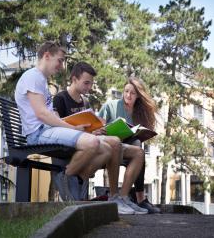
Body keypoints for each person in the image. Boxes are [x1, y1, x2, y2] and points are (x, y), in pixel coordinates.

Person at [14, 41, 134, 215]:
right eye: (60, 60)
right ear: (47, 55)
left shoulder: (40, 79)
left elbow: (49, 115)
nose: (61, 66)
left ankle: (76, 184)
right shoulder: (33, 76)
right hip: (38, 133)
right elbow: (42, 114)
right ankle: (67, 176)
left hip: (47, 130)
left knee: (107, 149)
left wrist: (75, 126)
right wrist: (72, 128)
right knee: (92, 142)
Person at [53, 61, 148, 214]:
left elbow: (90, 126)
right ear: (74, 78)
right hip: (77, 144)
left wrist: (99, 129)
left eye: (90, 83)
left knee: (139, 152)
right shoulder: (60, 98)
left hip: (92, 140)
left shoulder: (85, 101)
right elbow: (57, 127)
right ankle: (114, 197)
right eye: (86, 83)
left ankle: (123, 198)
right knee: (115, 142)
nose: (89, 87)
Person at [98, 77, 161, 214]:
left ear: (138, 95)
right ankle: (137, 198)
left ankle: (125, 197)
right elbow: (98, 128)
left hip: (128, 147)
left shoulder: (140, 112)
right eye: (126, 91)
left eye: (132, 93)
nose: (128, 95)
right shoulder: (111, 106)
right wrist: (104, 129)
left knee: (139, 146)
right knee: (134, 147)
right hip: (109, 146)